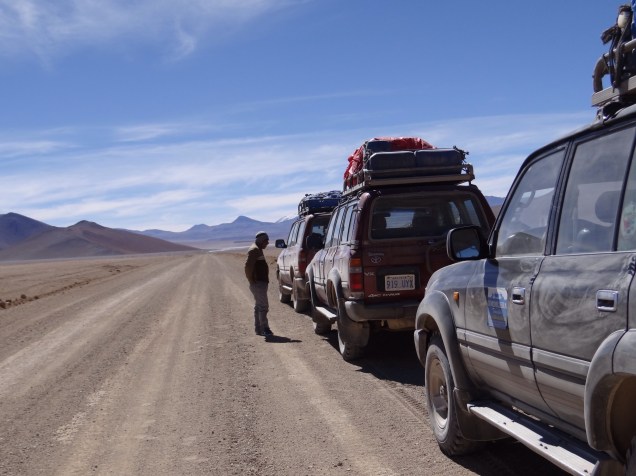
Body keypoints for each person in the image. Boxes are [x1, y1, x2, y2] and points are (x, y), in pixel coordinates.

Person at [244, 231, 273, 337]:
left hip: (260, 282)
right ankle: (265, 329)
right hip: (258, 283)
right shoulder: (254, 250)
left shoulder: (258, 249)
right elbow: (248, 267)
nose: (268, 243)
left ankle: (258, 329)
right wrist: (252, 281)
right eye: (266, 240)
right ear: (261, 241)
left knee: (258, 306)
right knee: (263, 306)